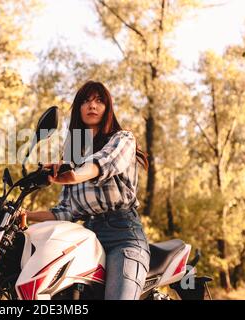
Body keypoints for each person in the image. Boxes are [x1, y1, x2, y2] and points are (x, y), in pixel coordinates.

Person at [19, 80, 150, 300]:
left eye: (99, 101)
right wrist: (24, 215)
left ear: (108, 108)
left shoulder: (122, 139)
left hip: (124, 236)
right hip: (87, 237)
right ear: (78, 108)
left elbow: (101, 164)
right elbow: (65, 212)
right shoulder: (72, 156)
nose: (92, 106)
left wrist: (71, 175)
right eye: (86, 101)